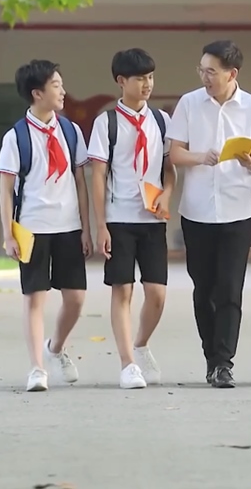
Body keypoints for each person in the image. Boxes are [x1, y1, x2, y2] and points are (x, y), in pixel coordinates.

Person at [167, 40, 251, 389]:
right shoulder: (189, 103)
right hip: (197, 211)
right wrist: (201, 157)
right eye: (202, 70)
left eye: (211, 72)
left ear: (232, 74)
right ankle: (210, 357)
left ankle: (224, 363)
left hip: (237, 210)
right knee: (204, 289)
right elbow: (175, 154)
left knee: (230, 289)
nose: (205, 77)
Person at [0, 59, 93, 392]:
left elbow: (80, 181)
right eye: (56, 86)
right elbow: (6, 190)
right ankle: (37, 368)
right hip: (32, 228)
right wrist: (8, 234)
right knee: (34, 299)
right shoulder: (16, 137)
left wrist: (86, 228)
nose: (63, 91)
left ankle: (56, 348)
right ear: (37, 93)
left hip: (68, 226)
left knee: (76, 298)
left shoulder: (71, 131)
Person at [88, 48, 175, 390]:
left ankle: (140, 344)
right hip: (119, 218)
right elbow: (98, 175)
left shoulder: (161, 121)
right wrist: (101, 225)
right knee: (122, 289)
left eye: (150, 77)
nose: (147, 84)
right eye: (140, 78)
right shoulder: (106, 122)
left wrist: (167, 194)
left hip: (153, 219)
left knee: (157, 294)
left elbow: (169, 169)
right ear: (121, 81)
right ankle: (127, 364)